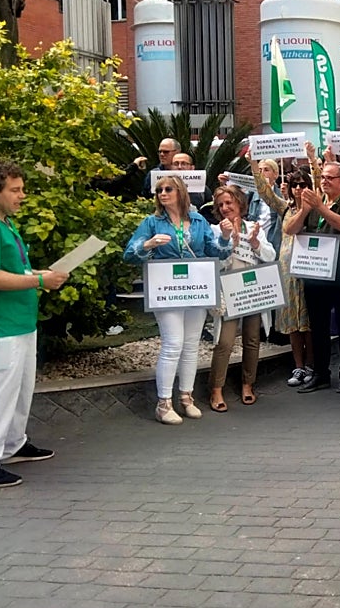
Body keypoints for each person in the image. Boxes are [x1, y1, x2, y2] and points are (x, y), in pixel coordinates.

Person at [0, 160, 69, 488]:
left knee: (18, 390)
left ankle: (12, 444)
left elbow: (13, 269)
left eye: (22, 189)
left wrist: (41, 275)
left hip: (17, 323)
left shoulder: (1, 222)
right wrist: (38, 282)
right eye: (15, 190)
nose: (22, 196)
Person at [124, 175, 232, 424]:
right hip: (167, 288)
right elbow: (129, 253)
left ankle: (186, 397)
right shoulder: (152, 222)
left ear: (180, 192)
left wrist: (225, 237)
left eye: (168, 189)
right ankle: (163, 403)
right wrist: (149, 244)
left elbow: (215, 252)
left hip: (195, 286)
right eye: (159, 189)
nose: (162, 193)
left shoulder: (197, 220)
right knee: (173, 343)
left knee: (191, 343)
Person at [286, 159, 340, 394]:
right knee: (317, 327)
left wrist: (320, 208)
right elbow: (290, 229)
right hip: (314, 273)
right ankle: (320, 374)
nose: (325, 181)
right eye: (323, 178)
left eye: (330, 178)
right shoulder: (314, 201)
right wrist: (305, 210)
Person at [206, 185, 277, 412]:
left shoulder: (254, 227)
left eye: (229, 203)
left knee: (252, 339)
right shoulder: (215, 231)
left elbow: (270, 256)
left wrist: (255, 242)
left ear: (240, 203)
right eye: (221, 205)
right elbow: (217, 264)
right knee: (225, 342)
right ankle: (216, 388)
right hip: (229, 292)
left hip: (253, 292)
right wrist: (230, 242)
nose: (225, 208)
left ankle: (248, 384)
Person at [248, 159, 313, 388]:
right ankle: (298, 366)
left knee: (308, 322)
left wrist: (314, 159)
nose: (298, 189)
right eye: (295, 184)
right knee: (292, 323)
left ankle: (312, 364)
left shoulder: (316, 208)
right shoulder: (285, 207)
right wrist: (255, 168)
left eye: (303, 184)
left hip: (310, 270)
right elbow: (266, 195)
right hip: (287, 270)